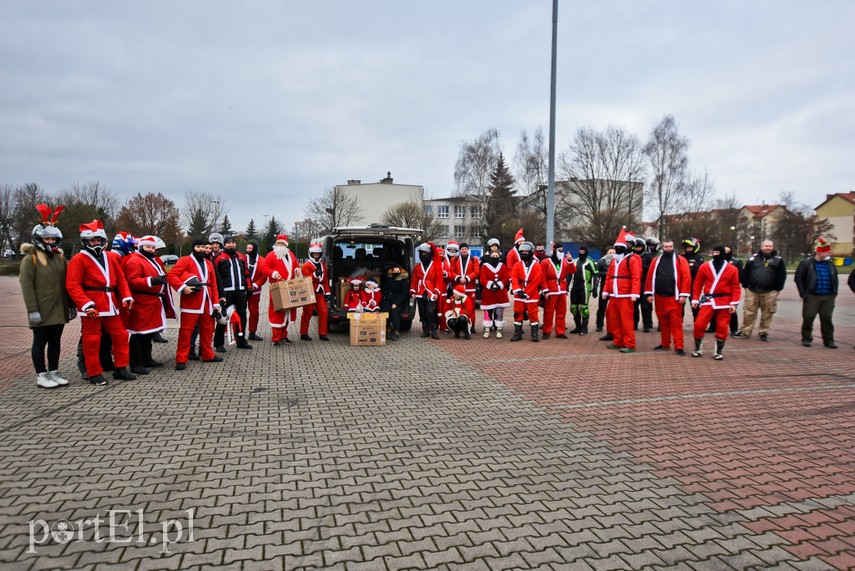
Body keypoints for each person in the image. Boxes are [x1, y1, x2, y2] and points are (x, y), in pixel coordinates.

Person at [65, 220, 136, 385]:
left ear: (103, 240)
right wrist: (85, 304)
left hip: (111, 304)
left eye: (98, 240)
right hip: (92, 305)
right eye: (92, 240)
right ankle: (94, 372)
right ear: (86, 241)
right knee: (92, 340)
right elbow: (73, 285)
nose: (96, 243)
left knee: (121, 335)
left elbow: (120, 279)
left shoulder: (111, 257)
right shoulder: (79, 259)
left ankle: (120, 368)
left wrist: (126, 296)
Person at [20, 204, 73, 389]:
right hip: (41, 310)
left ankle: (54, 371)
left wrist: (71, 305)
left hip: (58, 309)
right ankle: (41, 374)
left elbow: (67, 283)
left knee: (55, 342)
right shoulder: (30, 259)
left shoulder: (59, 258)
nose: (50, 241)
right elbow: (27, 287)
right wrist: (32, 310)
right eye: (46, 238)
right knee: (40, 342)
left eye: (52, 238)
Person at [123, 235, 176, 374]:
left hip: (153, 301)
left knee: (149, 333)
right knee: (139, 334)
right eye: (148, 247)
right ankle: (135, 363)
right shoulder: (135, 261)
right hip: (142, 301)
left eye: (153, 247)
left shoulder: (150, 260)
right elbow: (132, 281)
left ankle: (147, 358)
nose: (151, 250)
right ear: (141, 247)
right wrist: (152, 281)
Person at [168, 238, 223, 369]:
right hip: (191, 301)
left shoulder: (209, 263)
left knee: (208, 329)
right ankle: (181, 358)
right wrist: (183, 288)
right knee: (186, 331)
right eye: (198, 246)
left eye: (203, 247)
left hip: (207, 301)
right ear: (194, 247)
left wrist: (216, 304)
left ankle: (207, 354)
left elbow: (213, 284)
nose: (201, 249)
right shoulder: (185, 260)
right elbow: (171, 275)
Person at [690, 245, 741, 360]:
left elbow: (735, 287)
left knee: (722, 326)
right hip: (709, 300)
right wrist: (695, 299)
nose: (716, 254)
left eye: (718, 252)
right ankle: (698, 348)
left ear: (723, 254)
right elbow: (698, 284)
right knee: (699, 324)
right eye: (714, 252)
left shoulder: (732, 269)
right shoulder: (705, 267)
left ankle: (718, 351)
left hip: (725, 301)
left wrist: (734, 303)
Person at [733, 239, 787, 341]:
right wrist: (745, 285)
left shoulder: (778, 260)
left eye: (770, 246)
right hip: (752, 290)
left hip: (770, 292)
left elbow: (782, 275)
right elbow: (746, 272)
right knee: (749, 312)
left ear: (772, 247)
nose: (768, 248)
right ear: (761, 247)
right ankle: (745, 331)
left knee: (767, 313)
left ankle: (763, 332)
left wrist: (778, 289)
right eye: (766, 246)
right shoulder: (753, 258)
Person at [645, 240, 691, 356]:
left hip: (674, 297)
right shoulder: (656, 261)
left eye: (670, 246)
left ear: (673, 247)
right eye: (666, 246)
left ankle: (679, 346)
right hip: (659, 296)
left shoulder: (681, 260)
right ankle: (665, 343)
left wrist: (683, 294)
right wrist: (649, 294)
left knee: (676, 323)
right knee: (663, 322)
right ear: (662, 247)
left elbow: (686, 278)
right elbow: (650, 277)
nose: (668, 248)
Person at [794, 238, 839, 349]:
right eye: (828, 252)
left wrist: (834, 292)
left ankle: (828, 340)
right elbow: (798, 278)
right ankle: (807, 338)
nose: (830, 254)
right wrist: (803, 294)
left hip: (828, 296)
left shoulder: (831, 264)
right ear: (820, 252)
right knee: (808, 317)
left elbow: (835, 278)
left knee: (827, 318)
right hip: (812, 295)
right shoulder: (806, 264)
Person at [603, 229, 642, 353]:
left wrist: (635, 293)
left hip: (625, 295)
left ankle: (629, 343)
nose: (617, 250)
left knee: (626, 321)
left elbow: (636, 277)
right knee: (613, 319)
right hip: (614, 295)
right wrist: (605, 291)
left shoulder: (632, 260)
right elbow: (609, 277)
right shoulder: (614, 261)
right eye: (616, 247)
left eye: (619, 248)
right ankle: (618, 341)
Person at [260, 234, 301, 346]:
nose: (280, 245)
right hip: (277, 288)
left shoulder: (291, 254)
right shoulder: (271, 255)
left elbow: (296, 264)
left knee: (288, 311)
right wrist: (273, 273)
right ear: (276, 244)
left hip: (289, 287)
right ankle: (276, 338)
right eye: (279, 243)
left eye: (282, 243)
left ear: (286, 244)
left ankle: (284, 336)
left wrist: (297, 270)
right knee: (277, 312)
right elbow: (263, 267)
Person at [214, 235, 252, 350]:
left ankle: (241, 340)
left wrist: (249, 287)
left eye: (233, 242)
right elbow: (214, 276)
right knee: (223, 318)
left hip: (240, 291)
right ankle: (219, 344)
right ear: (224, 245)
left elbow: (246, 273)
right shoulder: (218, 257)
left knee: (242, 316)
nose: (231, 244)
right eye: (228, 243)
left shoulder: (241, 256)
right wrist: (219, 293)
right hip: (226, 292)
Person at [510, 241, 544, 342]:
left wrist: (526, 292)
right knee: (517, 313)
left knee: (533, 314)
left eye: (526, 252)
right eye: (522, 252)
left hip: (531, 295)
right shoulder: (517, 265)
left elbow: (537, 281)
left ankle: (534, 334)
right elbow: (514, 278)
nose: (524, 253)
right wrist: (518, 291)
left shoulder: (537, 266)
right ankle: (517, 334)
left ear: (531, 252)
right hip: (519, 295)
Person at [410, 243, 442, 339]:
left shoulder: (435, 265)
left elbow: (438, 280)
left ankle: (434, 330)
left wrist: (436, 292)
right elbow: (414, 280)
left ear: (429, 254)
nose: (422, 255)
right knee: (423, 312)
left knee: (430, 312)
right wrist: (413, 291)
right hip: (420, 292)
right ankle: (425, 330)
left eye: (424, 253)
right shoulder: (418, 267)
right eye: (421, 253)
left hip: (431, 292)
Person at [299, 243, 330, 341]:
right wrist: (315, 275)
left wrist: (328, 292)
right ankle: (303, 333)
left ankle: (323, 334)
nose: (316, 256)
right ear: (311, 254)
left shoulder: (323, 265)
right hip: (310, 292)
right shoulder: (306, 266)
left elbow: (325, 279)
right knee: (307, 313)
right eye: (314, 254)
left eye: (318, 254)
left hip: (320, 293)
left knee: (324, 312)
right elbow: (307, 279)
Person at [540, 242, 570, 339]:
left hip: (561, 290)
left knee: (561, 312)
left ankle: (560, 332)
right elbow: (543, 277)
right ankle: (546, 331)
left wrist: (570, 260)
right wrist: (545, 290)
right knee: (549, 312)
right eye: (559, 250)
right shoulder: (546, 262)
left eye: (562, 250)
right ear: (554, 251)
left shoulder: (565, 261)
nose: (561, 252)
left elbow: (572, 271)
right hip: (551, 290)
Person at [479, 249, 511, 338]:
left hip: (500, 293)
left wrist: (499, 284)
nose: (495, 258)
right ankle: (487, 329)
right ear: (490, 256)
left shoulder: (503, 266)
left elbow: (506, 277)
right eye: (493, 256)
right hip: (488, 293)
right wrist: (490, 284)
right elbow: (482, 279)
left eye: (496, 256)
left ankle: (499, 329)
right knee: (487, 311)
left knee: (499, 312)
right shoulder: (485, 266)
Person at [567, 245, 597, 336]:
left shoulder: (589, 262)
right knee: (573, 308)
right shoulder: (575, 261)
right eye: (580, 251)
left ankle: (584, 327)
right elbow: (569, 273)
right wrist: (566, 286)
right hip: (575, 287)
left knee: (584, 308)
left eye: (583, 251)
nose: (581, 253)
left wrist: (595, 288)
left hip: (585, 287)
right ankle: (578, 326)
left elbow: (595, 274)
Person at [449, 242, 479, 333]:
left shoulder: (474, 259)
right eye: (462, 249)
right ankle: (459, 325)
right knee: (457, 306)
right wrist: (458, 278)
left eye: (465, 249)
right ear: (460, 250)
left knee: (471, 308)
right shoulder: (454, 259)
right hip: (458, 288)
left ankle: (472, 324)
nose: (464, 250)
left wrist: (467, 278)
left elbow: (476, 272)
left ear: (468, 250)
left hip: (470, 287)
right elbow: (451, 271)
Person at [380, 264, 410, 341]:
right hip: (387, 299)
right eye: (394, 271)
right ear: (391, 271)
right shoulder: (387, 279)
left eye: (398, 271)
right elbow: (383, 290)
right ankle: (387, 329)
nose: (396, 272)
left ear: (401, 271)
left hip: (399, 301)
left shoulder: (404, 281)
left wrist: (396, 303)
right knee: (385, 311)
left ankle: (396, 331)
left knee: (394, 312)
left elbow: (404, 294)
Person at [632, 237, 655, 332]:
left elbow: (651, 268)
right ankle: (634, 324)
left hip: (644, 282)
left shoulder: (648, 256)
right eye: (636, 247)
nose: (638, 249)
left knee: (645, 306)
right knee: (634, 306)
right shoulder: (631, 256)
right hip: (635, 283)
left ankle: (647, 324)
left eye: (639, 247)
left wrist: (641, 266)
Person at [244, 240, 265, 341]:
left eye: (250, 248)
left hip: (255, 292)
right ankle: (238, 333)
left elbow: (264, 276)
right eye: (247, 248)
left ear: (255, 249)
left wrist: (256, 285)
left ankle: (252, 333)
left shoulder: (262, 260)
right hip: (243, 291)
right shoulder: (242, 258)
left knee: (254, 312)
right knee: (241, 312)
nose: (248, 250)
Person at [681, 237, 704, 322]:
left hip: (694, 284)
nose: (688, 249)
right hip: (682, 284)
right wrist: (689, 266)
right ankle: (678, 323)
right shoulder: (681, 257)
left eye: (690, 247)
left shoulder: (699, 257)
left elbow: (697, 268)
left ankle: (698, 323)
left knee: (695, 305)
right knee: (680, 306)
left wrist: (688, 267)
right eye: (687, 248)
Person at [595, 248, 615, 334]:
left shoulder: (618, 262)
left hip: (614, 289)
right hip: (604, 287)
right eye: (610, 253)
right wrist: (606, 274)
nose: (612, 254)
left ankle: (613, 326)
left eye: (614, 253)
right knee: (602, 307)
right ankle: (599, 325)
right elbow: (596, 272)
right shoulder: (602, 261)